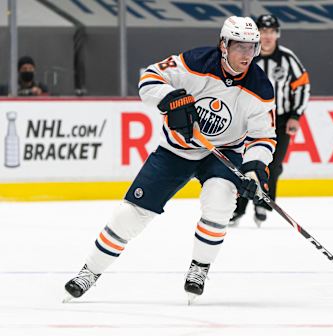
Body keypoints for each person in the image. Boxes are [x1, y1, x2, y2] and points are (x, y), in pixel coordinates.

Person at [63, 16, 276, 304]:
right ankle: (89, 272)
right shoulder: (195, 62)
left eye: (251, 48)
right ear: (223, 45)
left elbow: (264, 137)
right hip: (176, 150)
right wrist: (171, 98)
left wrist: (253, 169)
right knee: (130, 214)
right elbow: (149, 79)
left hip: (223, 153)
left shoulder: (260, 87)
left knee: (221, 201)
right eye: (239, 47)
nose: (247, 55)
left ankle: (199, 268)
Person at [230, 14, 310, 227]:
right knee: (242, 162)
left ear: (277, 34)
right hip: (249, 120)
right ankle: (237, 209)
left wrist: (295, 115)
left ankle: (263, 204)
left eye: (271, 31)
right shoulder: (246, 55)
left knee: (273, 165)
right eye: (263, 31)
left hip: (280, 120)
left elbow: (302, 85)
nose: (267, 36)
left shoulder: (287, 58)